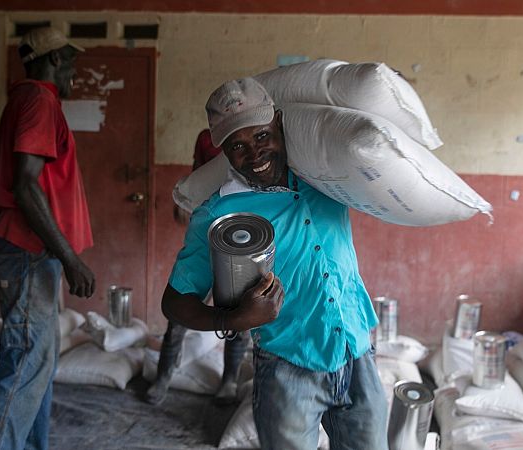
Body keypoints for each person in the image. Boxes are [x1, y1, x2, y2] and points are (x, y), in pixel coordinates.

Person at [160, 78, 388, 450]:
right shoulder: (219, 214)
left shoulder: (325, 175)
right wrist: (232, 320)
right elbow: (174, 301)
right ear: (224, 152)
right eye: (238, 146)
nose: (254, 154)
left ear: (279, 124)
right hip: (287, 369)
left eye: (262, 137)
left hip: (356, 353)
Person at [0, 27, 95, 450]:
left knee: (36, 365)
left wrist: (10, 237)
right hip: (29, 253)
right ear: (55, 60)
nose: (74, 72)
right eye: (71, 62)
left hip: (26, 251)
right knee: (26, 363)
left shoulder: (22, 102)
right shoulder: (40, 100)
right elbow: (25, 186)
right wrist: (69, 258)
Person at [146, 129, 249, 406]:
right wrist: (187, 200)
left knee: (239, 313)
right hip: (207, 231)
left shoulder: (254, 140)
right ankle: (163, 376)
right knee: (182, 304)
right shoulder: (206, 138)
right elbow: (198, 176)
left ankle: (229, 380)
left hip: (242, 234)